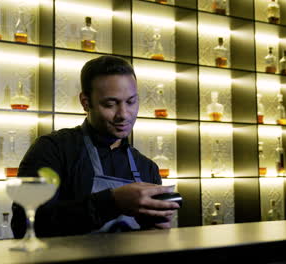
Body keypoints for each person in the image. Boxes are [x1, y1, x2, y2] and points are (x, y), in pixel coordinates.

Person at [11, 55, 180, 238]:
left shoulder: (147, 168)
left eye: (131, 102)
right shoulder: (52, 150)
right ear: (85, 102)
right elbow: (24, 226)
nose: (124, 114)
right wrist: (112, 202)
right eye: (110, 104)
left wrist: (157, 230)